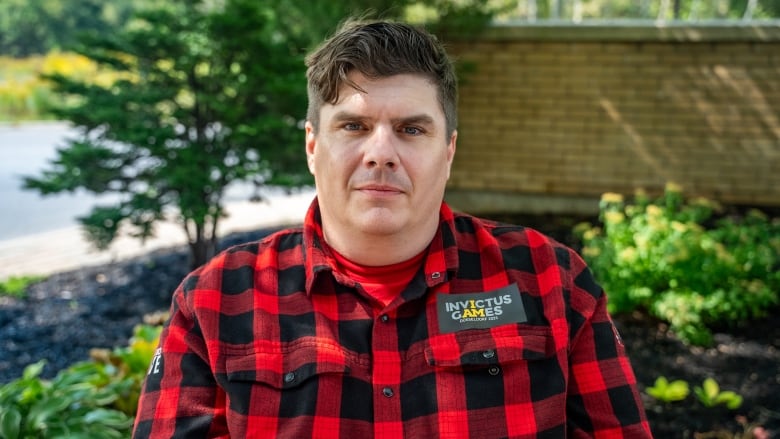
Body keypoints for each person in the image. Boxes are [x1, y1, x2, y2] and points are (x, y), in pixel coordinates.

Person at [132, 19, 652, 438]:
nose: (381, 154)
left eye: (411, 129)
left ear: (447, 152)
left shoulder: (548, 281)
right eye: (354, 126)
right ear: (313, 145)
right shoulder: (214, 302)